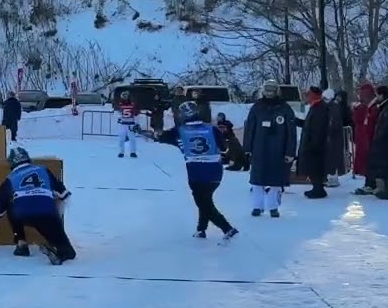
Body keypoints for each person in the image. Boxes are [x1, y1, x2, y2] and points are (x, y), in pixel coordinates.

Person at [150, 101, 238, 242]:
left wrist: (144, 132)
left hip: (196, 172)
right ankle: (201, 229)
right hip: (215, 171)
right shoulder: (211, 129)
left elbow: (159, 137)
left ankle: (227, 228)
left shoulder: (179, 131)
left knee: (203, 203)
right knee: (206, 199)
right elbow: (223, 148)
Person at [0, 146, 75, 264]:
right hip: (47, 213)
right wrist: (57, 218)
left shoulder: (9, 180)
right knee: (69, 252)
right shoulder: (44, 170)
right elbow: (64, 196)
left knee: (11, 204)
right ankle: (61, 251)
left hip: (23, 214)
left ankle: (21, 243)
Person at [242, 80, 297, 218]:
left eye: (272, 90)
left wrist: (290, 151)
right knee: (257, 180)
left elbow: (291, 131)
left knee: (276, 180)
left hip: (278, 149)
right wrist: (247, 148)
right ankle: (257, 206)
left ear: (276, 91)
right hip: (259, 148)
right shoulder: (257, 107)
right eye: (267, 90)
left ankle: (273, 207)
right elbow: (250, 128)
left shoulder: (284, 108)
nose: (269, 93)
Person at [362, 85, 388, 200]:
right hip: (385, 144)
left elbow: (387, 128)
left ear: (382, 95)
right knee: (385, 167)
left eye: (377, 95)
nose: (376, 97)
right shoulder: (385, 108)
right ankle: (387, 190)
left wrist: (379, 138)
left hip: (387, 145)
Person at [297, 86, 330, 199]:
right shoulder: (315, 107)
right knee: (312, 166)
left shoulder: (320, 108)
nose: (306, 96)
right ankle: (317, 187)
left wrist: (314, 144)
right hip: (313, 143)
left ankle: (318, 189)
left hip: (315, 145)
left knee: (315, 166)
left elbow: (318, 128)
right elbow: (309, 125)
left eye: (308, 94)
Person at [351, 82, 378, 192]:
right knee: (367, 161)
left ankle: (370, 183)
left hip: (366, 137)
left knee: (368, 161)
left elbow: (360, 119)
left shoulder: (368, 107)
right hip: (363, 136)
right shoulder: (368, 106)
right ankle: (370, 183)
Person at [115, 90, 140, 158]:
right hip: (123, 124)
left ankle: (133, 152)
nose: (125, 97)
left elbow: (136, 114)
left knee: (132, 139)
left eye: (126, 96)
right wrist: (119, 118)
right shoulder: (120, 104)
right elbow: (118, 113)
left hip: (131, 124)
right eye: (124, 96)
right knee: (121, 139)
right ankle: (121, 152)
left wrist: (136, 123)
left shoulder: (132, 104)